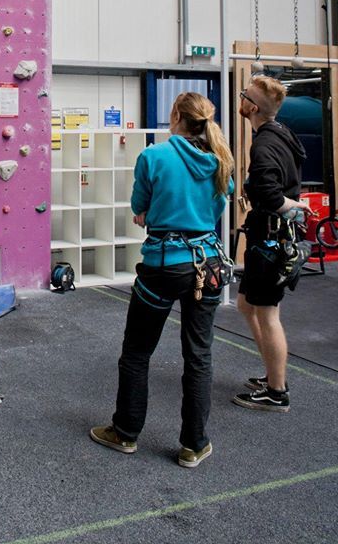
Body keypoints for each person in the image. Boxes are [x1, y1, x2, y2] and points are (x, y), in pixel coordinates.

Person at [90, 93, 234, 468]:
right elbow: (221, 201)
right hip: (208, 266)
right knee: (198, 356)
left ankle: (125, 433)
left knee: (138, 351)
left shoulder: (154, 156)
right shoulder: (219, 159)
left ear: (176, 116)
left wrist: (149, 212)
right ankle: (194, 445)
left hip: (164, 267)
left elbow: (140, 204)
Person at [232, 74, 309, 412]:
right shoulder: (282, 134)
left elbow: (270, 191)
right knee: (246, 305)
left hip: (270, 241)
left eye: (243, 95)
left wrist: (288, 206)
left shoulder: (263, 144)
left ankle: (277, 391)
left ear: (251, 107)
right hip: (270, 238)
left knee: (267, 313)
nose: (241, 99)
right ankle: (272, 373)